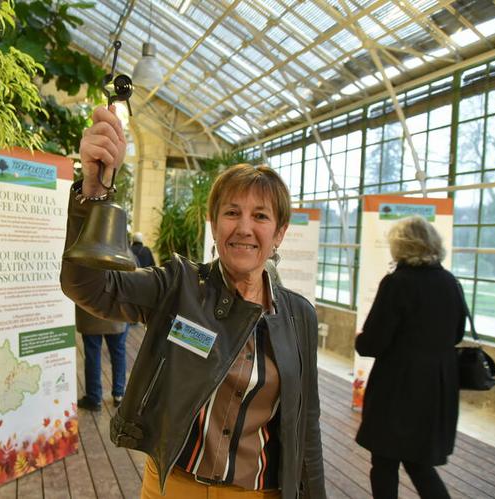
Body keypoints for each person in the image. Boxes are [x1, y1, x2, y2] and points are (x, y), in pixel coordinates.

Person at [61, 105, 326, 499]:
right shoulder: (180, 286)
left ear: (280, 233)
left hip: (256, 493)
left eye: (261, 216)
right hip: (174, 485)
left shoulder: (297, 315)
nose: (244, 228)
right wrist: (94, 192)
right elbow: (90, 287)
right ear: (214, 224)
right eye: (232, 212)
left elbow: (307, 422)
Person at [355, 215, 466, 499]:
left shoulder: (397, 283)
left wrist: (360, 340)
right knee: (419, 463)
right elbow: (456, 335)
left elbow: (372, 344)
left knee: (384, 462)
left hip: (398, 388)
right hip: (437, 387)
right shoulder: (450, 282)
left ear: (401, 246)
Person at [76, 306, 128, 411]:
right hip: (117, 313)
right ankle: (119, 394)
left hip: (89, 313)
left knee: (92, 356)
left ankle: (94, 398)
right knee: (118, 354)